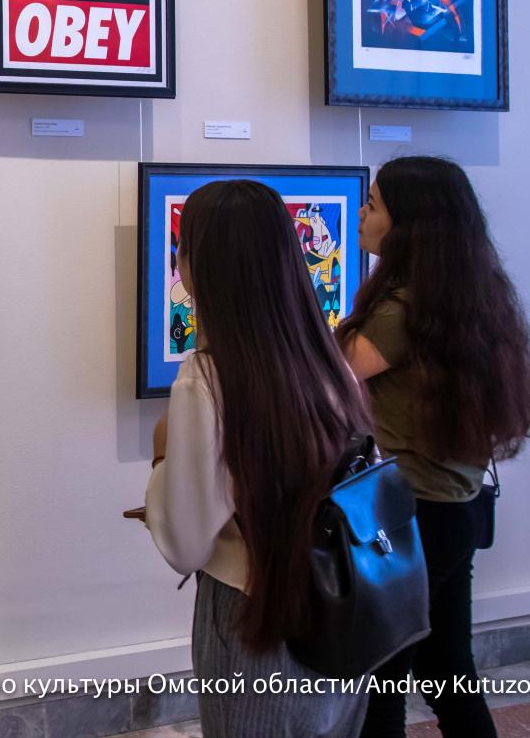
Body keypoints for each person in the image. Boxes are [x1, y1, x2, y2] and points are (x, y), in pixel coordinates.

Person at [144, 180, 372, 737]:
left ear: (206, 267)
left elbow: (184, 544)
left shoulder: (207, 379)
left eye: (183, 249)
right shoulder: (328, 362)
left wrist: (162, 457)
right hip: (342, 608)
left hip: (255, 617)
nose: (178, 264)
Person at [339, 156, 530, 738]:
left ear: (408, 226)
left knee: (382, 679)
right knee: (447, 669)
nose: (361, 214)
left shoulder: (400, 311)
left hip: (412, 516)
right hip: (454, 506)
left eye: (372, 205)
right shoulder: (464, 298)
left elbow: (329, 375)